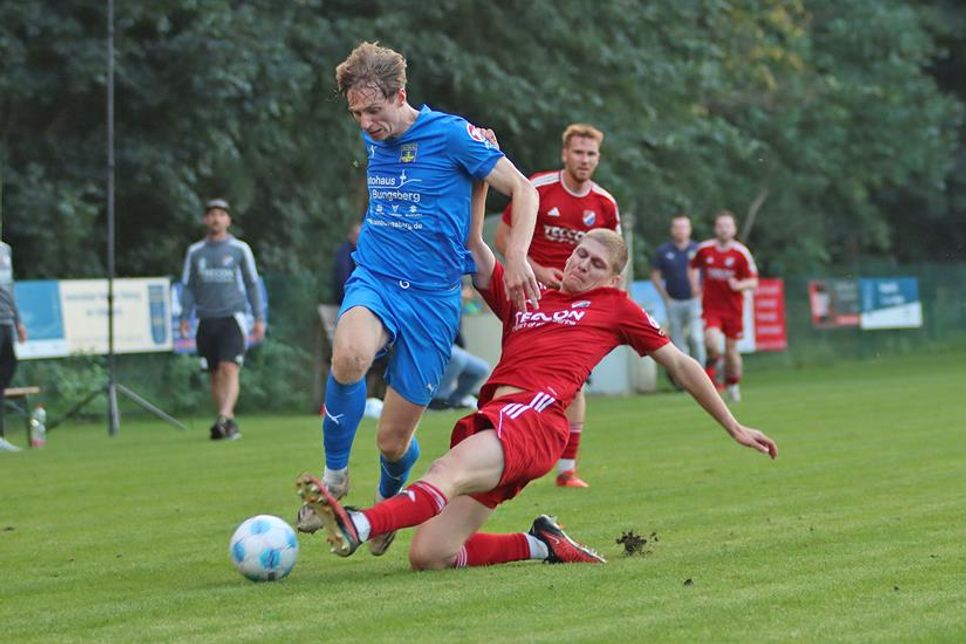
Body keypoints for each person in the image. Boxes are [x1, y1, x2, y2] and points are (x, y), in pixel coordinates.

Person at [296, 219, 778, 571]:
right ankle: (542, 544)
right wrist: (480, 169)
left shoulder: (616, 307)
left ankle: (359, 525)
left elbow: (681, 363)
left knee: (445, 472)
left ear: (612, 279)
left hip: (535, 418)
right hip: (501, 416)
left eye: (597, 264)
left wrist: (733, 426)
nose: (582, 265)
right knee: (431, 555)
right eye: (581, 254)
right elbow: (478, 249)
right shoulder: (530, 291)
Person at [299, 42, 541, 557]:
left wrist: (514, 254)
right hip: (378, 276)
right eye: (357, 113)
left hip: (433, 300)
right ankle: (335, 477)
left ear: (400, 95)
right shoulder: (376, 138)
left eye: (374, 111)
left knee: (392, 442)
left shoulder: (452, 134)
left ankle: (388, 499)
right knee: (350, 355)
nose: (366, 123)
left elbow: (524, 190)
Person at [494, 123, 620, 488]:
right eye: (578, 152)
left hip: (577, 305)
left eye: (591, 154)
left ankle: (566, 469)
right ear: (565, 154)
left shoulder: (605, 204)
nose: (584, 159)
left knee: (574, 382)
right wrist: (538, 269)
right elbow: (503, 238)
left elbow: (616, 261)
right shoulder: (538, 188)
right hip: (532, 293)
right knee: (520, 374)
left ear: (598, 158)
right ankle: (509, 449)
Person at [179, 198, 266, 440]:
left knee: (230, 367)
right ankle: (225, 422)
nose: (216, 218)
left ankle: (225, 417)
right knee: (215, 372)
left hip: (233, 316)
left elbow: (252, 283)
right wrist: (184, 317)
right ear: (205, 220)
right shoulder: (195, 252)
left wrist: (259, 317)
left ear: (228, 219)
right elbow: (187, 286)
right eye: (212, 214)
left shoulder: (240, 250)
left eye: (221, 214)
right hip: (206, 318)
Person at [689, 211, 758, 402]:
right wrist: (695, 284)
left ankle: (733, 384)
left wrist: (740, 285)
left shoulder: (740, 253)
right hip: (712, 308)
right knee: (710, 341)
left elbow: (753, 281)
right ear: (715, 228)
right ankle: (713, 372)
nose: (724, 229)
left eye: (728, 226)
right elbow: (693, 266)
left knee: (731, 352)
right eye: (720, 225)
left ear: (734, 229)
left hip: (733, 310)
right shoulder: (705, 249)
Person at [650, 215, 705, 368]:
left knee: (696, 338)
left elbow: (708, 273)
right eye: (677, 227)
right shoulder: (663, 251)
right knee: (678, 343)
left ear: (690, 230)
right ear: (672, 230)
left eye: (684, 227)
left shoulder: (699, 250)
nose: (681, 230)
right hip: (673, 301)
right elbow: (655, 275)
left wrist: (701, 292)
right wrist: (666, 297)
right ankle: (683, 379)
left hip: (694, 301)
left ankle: (702, 375)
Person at [0, 261, 27, 453]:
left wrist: (18, 321)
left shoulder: (4, 250)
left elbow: (8, 288)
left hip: (6, 322)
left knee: (5, 374)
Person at [332, 222, 361, 305]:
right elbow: (343, 277)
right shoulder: (344, 253)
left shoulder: (355, 251)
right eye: (357, 237)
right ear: (350, 236)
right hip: (345, 298)